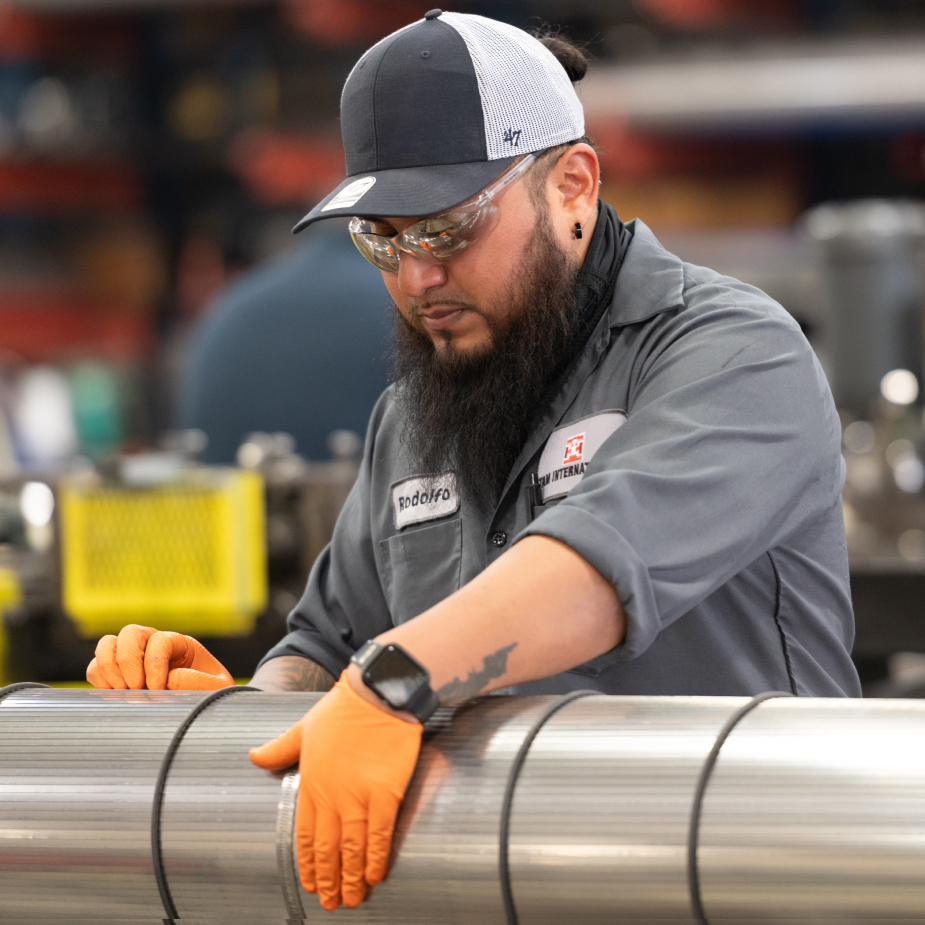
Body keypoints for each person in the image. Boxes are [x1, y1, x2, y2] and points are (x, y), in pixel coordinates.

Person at [86, 10, 861, 915]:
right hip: (509, 886)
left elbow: (595, 568)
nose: (417, 279)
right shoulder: (415, 414)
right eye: (383, 240)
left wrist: (387, 687)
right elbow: (328, 647)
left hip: (747, 879)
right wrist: (244, 720)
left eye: (447, 231)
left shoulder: (731, 353)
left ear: (570, 186)